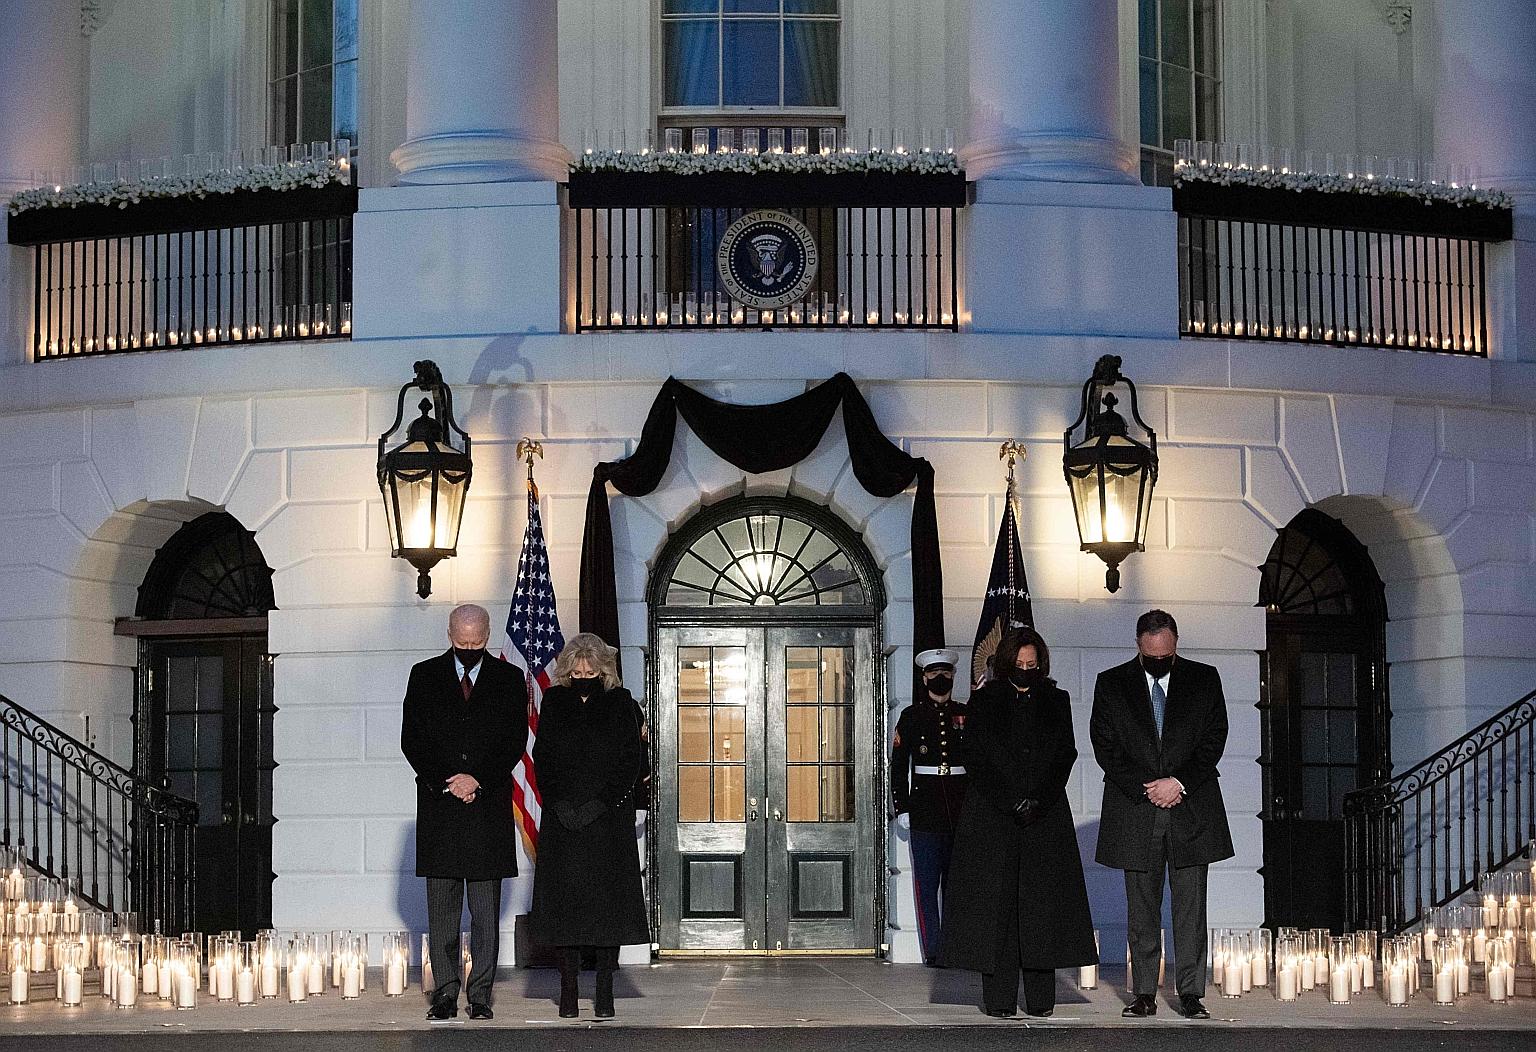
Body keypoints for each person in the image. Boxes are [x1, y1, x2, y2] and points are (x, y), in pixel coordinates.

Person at [939, 627, 1097, 1017]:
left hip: (1043, 819)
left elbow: (1065, 753)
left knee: (1041, 908)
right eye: (1019, 664)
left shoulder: (1056, 699)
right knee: (999, 909)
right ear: (1007, 662)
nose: (1026, 670)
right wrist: (1010, 801)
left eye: (1032, 664)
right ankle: (999, 999)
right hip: (994, 817)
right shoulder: (985, 701)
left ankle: (1042, 1000)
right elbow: (975, 757)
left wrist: (1037, 801)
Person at [1090, 609, 1233, 1020]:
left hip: (1191, 807)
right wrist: (1149, 787)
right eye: (1152, 656)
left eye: (1166, 655)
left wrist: (1178, 782)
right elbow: (1105, 746)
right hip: (1136, 808)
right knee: (1142, 908)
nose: (1159, 662)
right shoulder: (1112, 683)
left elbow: (1213, 738)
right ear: (1138, 645)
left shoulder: (1204, 679)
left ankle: (1190, 993)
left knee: (1191, 906)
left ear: (1175, 645)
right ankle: (1145, 994)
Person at [400, 604, 528, 1022]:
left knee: (486, 911)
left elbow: (513, 741)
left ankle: (481, 996)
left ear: (488, 635)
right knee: (442, 912)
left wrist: (478, 781)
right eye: (461, 643)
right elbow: (412, 740)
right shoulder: (424, 675)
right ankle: (444, 994)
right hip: (440, 809)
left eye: (476, 643)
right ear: (449, 633)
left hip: (487, 810)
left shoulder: (510, 678)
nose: (469, 649)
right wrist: (448, 780)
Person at [529, 632, 649, 1018]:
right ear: (567, 669)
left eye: (591, 668)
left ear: (603, 669)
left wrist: (600, 805)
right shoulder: (554, 701)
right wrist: (560, 804)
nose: (583, 674)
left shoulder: (620, 703)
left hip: (607, 822)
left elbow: (630, 761)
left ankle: (604, 993)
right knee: (566, 909)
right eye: (577, 668)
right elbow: (542, 757)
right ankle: (566, 992)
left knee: (606, 910)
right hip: (563, 822)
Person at [890, 647, 969, 966]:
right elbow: (897, 765)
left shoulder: (966, 713)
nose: (940, 678)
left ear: (953, 676)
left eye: (945, 673)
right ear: (924, 678)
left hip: (961, 808)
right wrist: (903, 806)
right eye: (933, 674)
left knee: (958, 885)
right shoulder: (911, 716)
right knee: (926, 886)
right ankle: (934, 949)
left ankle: (956, 946)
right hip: (924, 811)